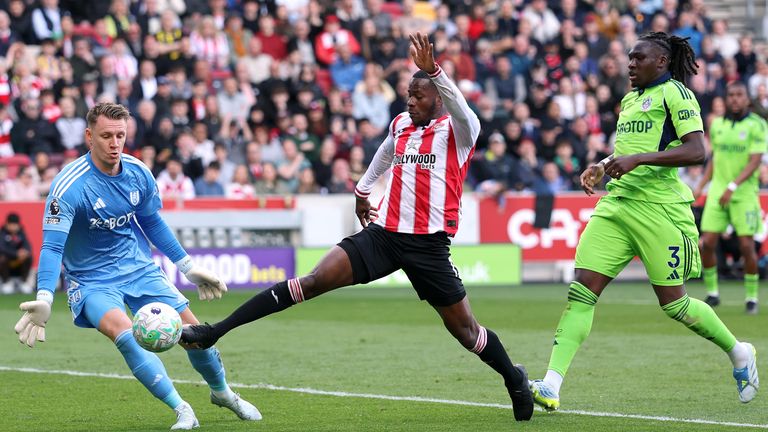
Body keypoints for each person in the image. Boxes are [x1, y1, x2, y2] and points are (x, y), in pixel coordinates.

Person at [181, 33, 535, 422]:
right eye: (408, 96)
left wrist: (435, 70)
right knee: (314, 280)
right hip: (383, 235)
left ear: (437, 97)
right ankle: (216, 331)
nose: (411, 102)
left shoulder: (460, 131)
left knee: (467, 333)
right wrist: (363, 188)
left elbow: (460, 106)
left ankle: (513, 377)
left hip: (429, 246)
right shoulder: (402, 124)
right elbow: (387, 150)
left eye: (419, 96)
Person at [529, 33, 760, 412]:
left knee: (674, 305)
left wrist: (640, 161)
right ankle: (551, 385)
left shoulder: (677, 94)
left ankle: (739, 351)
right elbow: (627, 151)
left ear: (663, 62)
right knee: (582, 290)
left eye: (639, 58)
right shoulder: (631, 99)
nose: (630, 64)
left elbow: (697, 151)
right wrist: (603, 165)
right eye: (630, 58)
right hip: (618, 206)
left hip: (659, 210)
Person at [13, 103, 261, 430]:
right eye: (106, 136)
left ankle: (223, 392)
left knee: (195, 335)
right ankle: (181, 408)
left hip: (139, 268)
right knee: (125, 335)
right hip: (92, 280)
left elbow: (151, 222)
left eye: (120, 135)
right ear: (89, 137)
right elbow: (52, 245)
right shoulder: (69, 186)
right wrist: (45, 297)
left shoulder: (137, 172)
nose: (115, 143)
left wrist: (186, 266)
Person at [694, 82, 767, 315]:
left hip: (743, 193)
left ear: (747, 99)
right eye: (731, 95)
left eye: (739, 95)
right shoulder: (718, 126)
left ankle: (752, 298)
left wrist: (733, 186)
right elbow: (715, 159)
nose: (735, 99)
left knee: (747, 246)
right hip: (718, 192)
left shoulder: (757, 124)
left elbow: (755, 160)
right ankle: (713, 294)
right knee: (706, 243)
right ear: (727, 99)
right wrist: (701, 185)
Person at [0, 212, 32, 294]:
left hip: (18, 263)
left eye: (15, 225)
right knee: (2, 258)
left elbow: (27, 246)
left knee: (28, 257)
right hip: (6, 264)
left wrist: (24, 252)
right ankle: (6, 282)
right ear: (7, 224)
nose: (14, 227)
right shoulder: (2, 233)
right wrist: (16, 254)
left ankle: (23, 282)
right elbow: (2, 248)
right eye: (12, 225)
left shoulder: (21, 233)